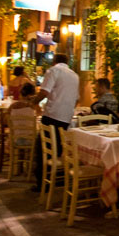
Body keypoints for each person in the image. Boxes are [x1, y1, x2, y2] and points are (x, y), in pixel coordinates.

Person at [31, 54, 80, 191]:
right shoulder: (75, 76)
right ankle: (57, 179)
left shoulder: (53, 71)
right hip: (66, 117)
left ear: (54, 61)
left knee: (43, 149)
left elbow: (44, 92)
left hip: (52, 115)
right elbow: (76, 99)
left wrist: (33, 102)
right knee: (59, 149)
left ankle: (42, 184)